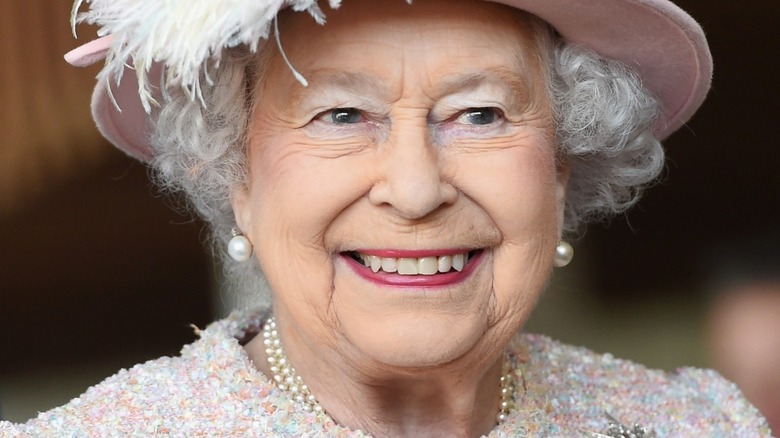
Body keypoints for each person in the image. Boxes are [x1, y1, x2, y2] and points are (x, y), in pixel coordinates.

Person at [1, 0, 772, 436]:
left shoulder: (701, 426)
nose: (413, 189)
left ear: (562, 165)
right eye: (341, 114)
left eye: (478, 113)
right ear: (236, 173)